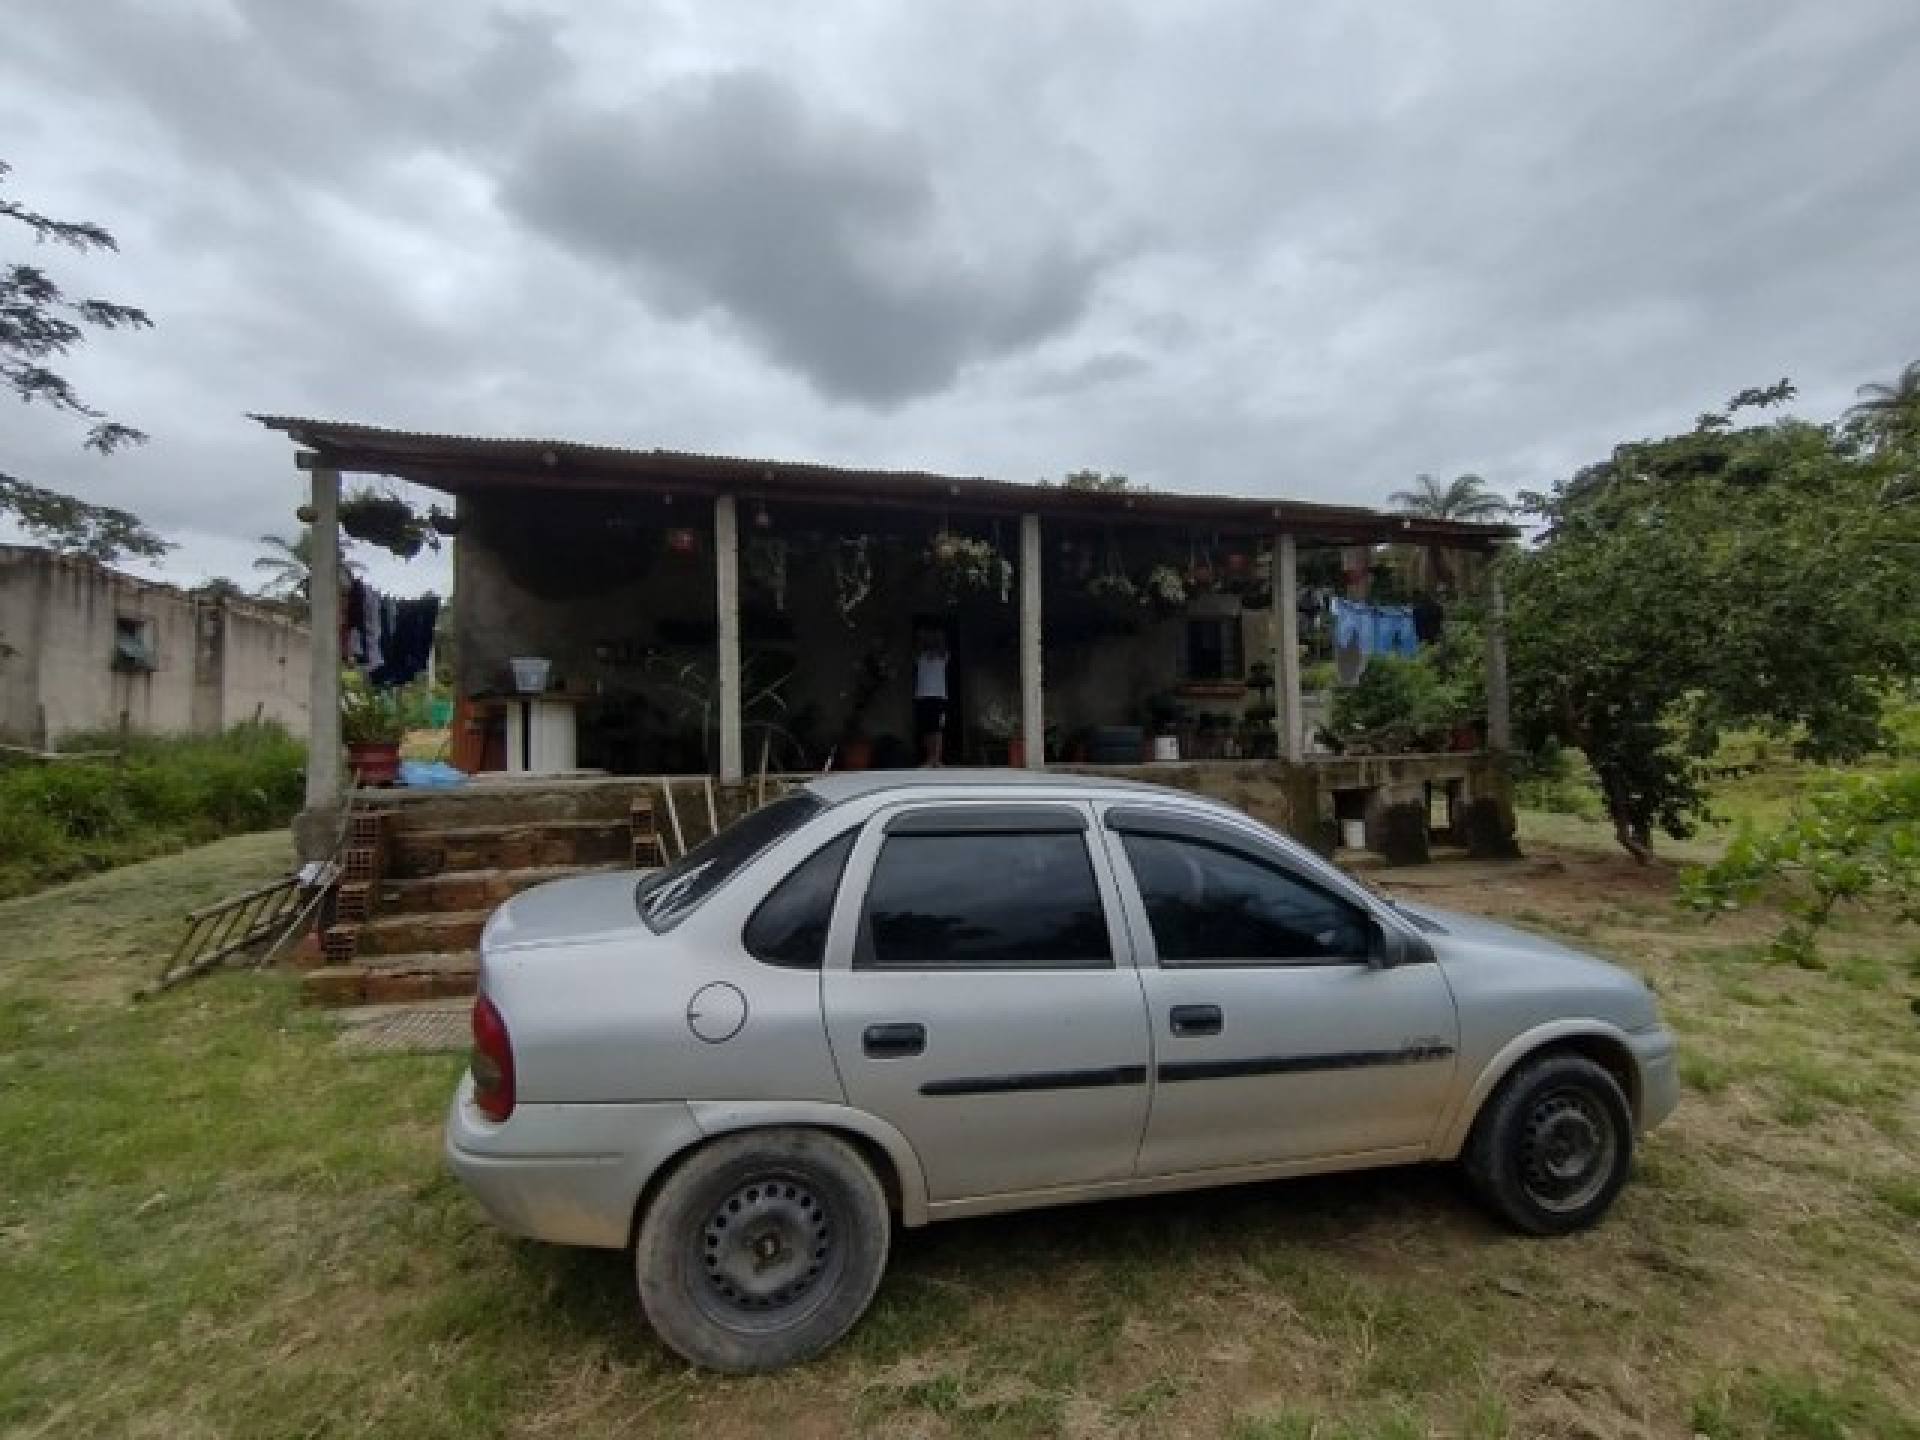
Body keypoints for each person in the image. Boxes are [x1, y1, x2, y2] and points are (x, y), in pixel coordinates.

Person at [913, 627, 949, 766]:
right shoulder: (920, 656)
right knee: (926, 729)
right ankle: (930, 757)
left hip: (939, 697)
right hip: (923, 696)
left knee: (937, 729)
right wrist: (922, 638)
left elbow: (941, 645)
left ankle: (937, 758)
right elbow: (918, 647)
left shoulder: (943, 656)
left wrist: (937, 637)